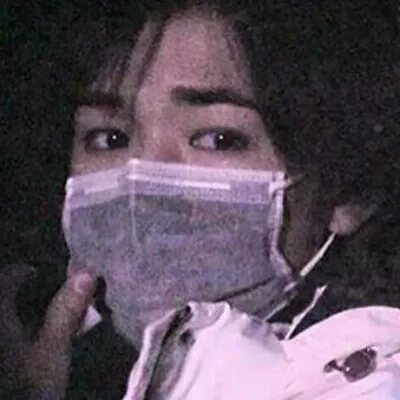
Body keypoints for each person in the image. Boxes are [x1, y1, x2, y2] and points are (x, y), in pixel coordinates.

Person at [0, 0, 384, 398]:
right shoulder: (46, 356)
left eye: (219, 139)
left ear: (348, 195)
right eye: (109, 138)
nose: (142, 182)